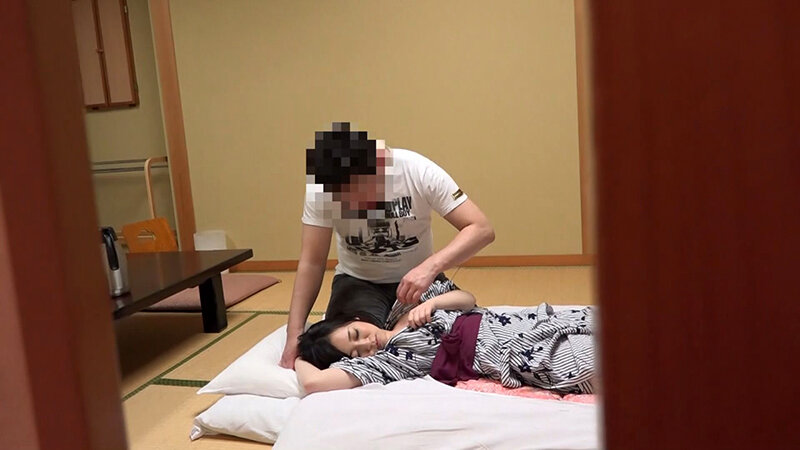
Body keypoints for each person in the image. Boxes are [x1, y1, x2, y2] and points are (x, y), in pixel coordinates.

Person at [279, 122, 495, 368]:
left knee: (445, 339)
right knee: (345, 353)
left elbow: (481, 229)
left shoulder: (418, 170)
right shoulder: (322, 189)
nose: (357, 206)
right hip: (358, 281)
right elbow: (312, 261)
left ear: (380, 163)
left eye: (360, 193)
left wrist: (430, 267)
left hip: (420, 279)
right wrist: (293, 334)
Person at [294, 279, 596, 395]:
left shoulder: (406, 303)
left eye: (356, 334)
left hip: (514, 322)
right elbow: (313, 383)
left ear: (357, 320)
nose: (365, 344)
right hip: (509, 353)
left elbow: (468, 299)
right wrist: (295, 353)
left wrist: (433, 304)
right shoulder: (387, 363)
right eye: (356, 352)